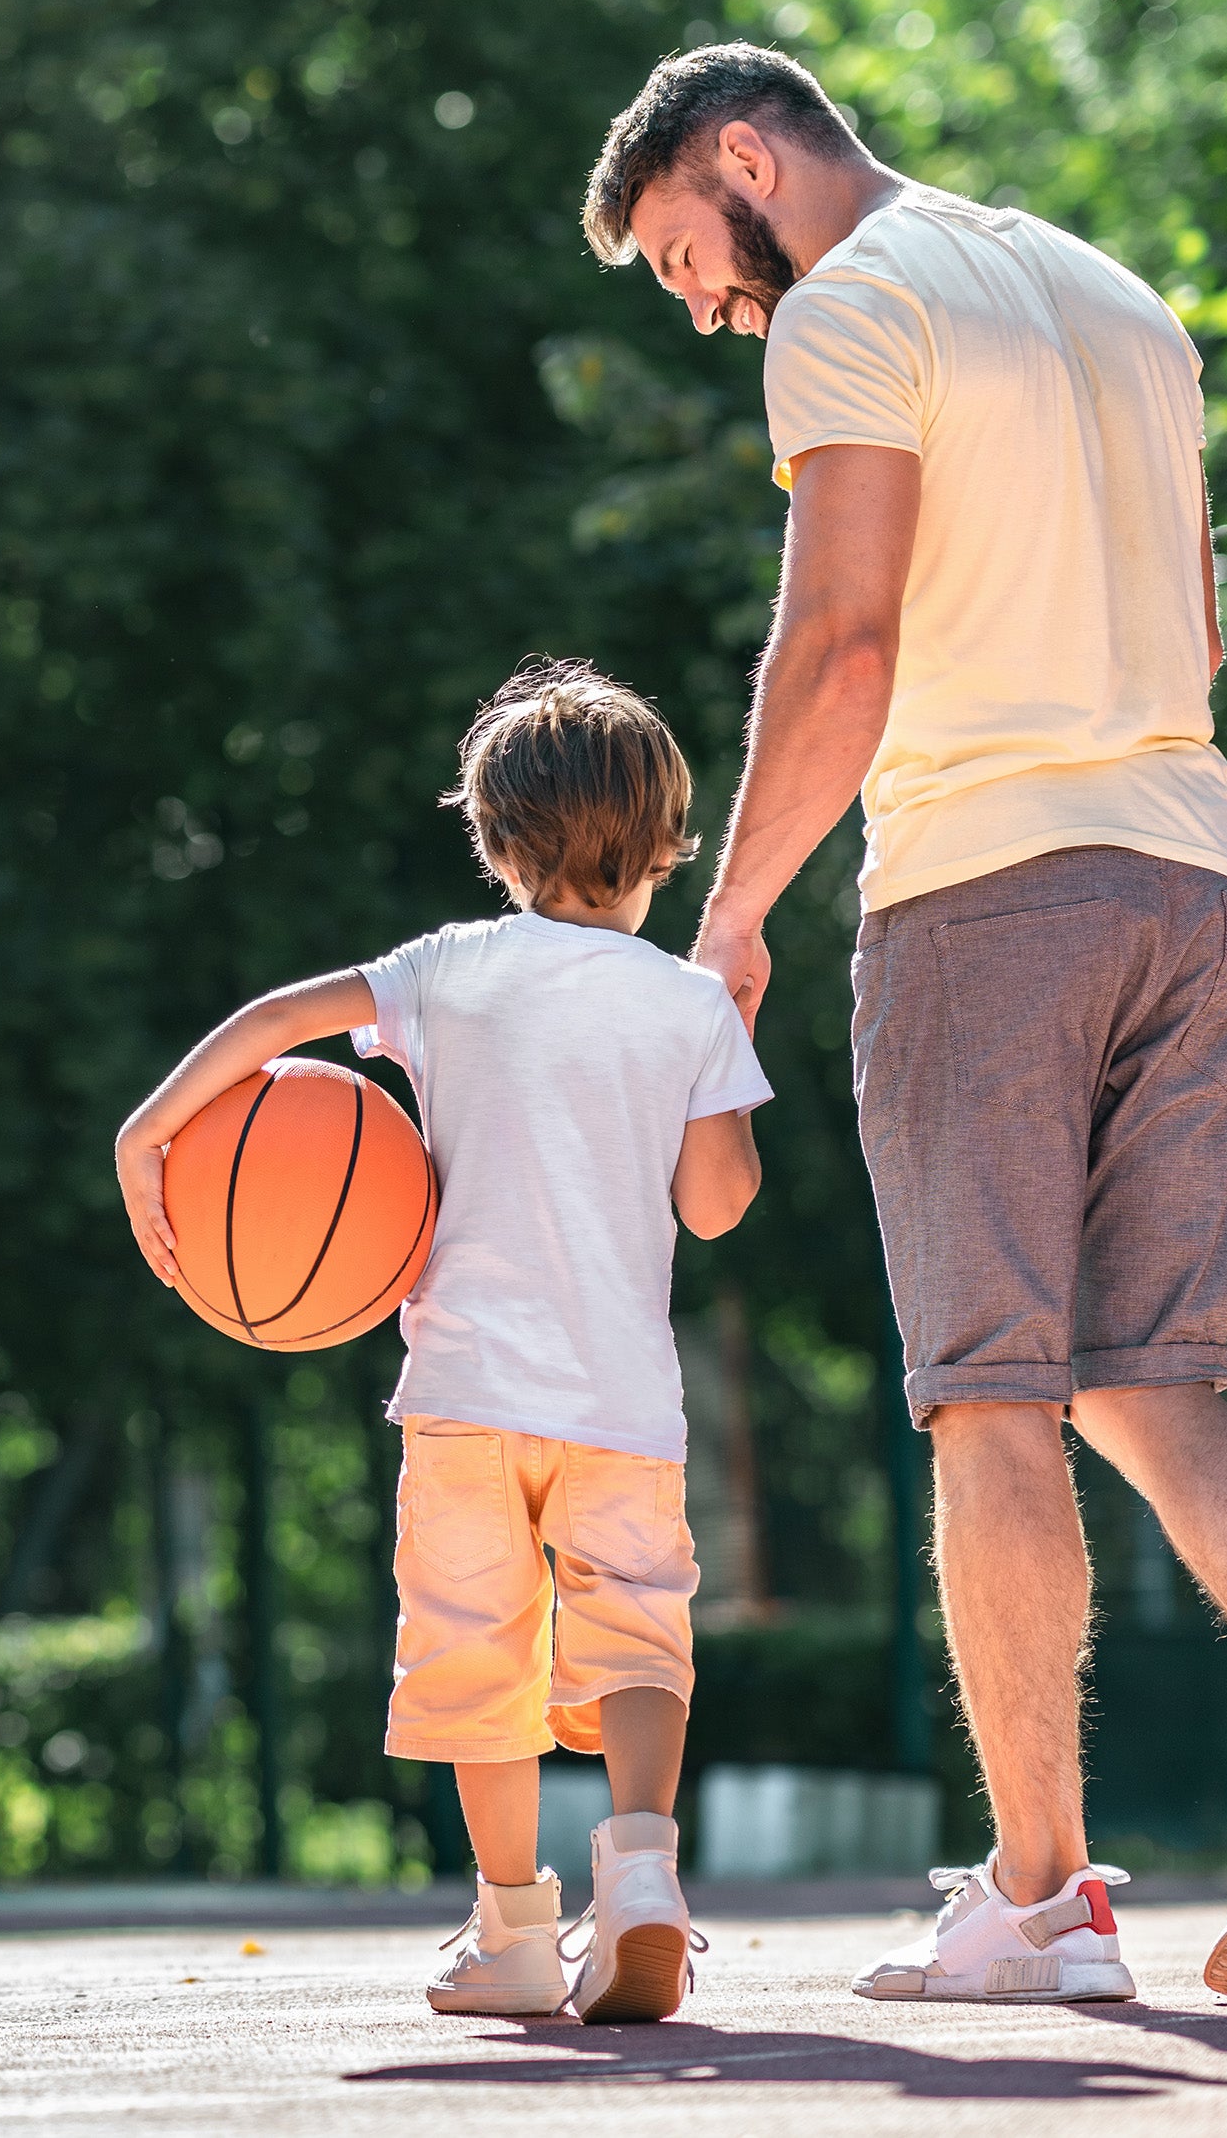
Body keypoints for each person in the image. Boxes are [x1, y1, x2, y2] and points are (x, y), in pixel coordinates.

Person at [578, 41, 1227, 2005]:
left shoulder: (852, 307)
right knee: (1154, 1375)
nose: (702, 304)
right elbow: (1198, 631)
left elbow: (844, 634)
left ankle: (1040, 1895)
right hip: (1187, 877)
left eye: (685, 261)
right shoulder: (1115, 298)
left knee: (985, 1387)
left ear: (738, 156)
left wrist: (729, 913)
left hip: (983, 890)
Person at [115, 659, 770, 2021]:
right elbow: (715, 1212)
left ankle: (514, 1931)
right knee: (638, 1641)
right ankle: (642, 1867)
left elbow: (278, 1025)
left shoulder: (446, 971)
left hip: (467, 1395)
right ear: (664, 844)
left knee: (485, 1659)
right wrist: (725, 1052)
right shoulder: (687, 1003)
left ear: (495, 839)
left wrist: (151, 1131)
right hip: (624, 1404)